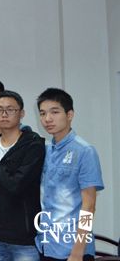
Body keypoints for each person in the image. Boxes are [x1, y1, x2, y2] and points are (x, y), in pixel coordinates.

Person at [0, 90, 45, 261]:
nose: (4, 114)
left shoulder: (34, 145)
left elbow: (15, 185)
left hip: (24, 238)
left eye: (10, 110)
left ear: (22, 113)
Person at [35, 88, 104, 261]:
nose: (47, 119)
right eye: (42, 113)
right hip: (46, 244)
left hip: (72, 250)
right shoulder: (46, 150)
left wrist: (78, 251)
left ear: (70, 115)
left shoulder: (84, 151)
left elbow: (89, 207)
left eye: (55, 112)